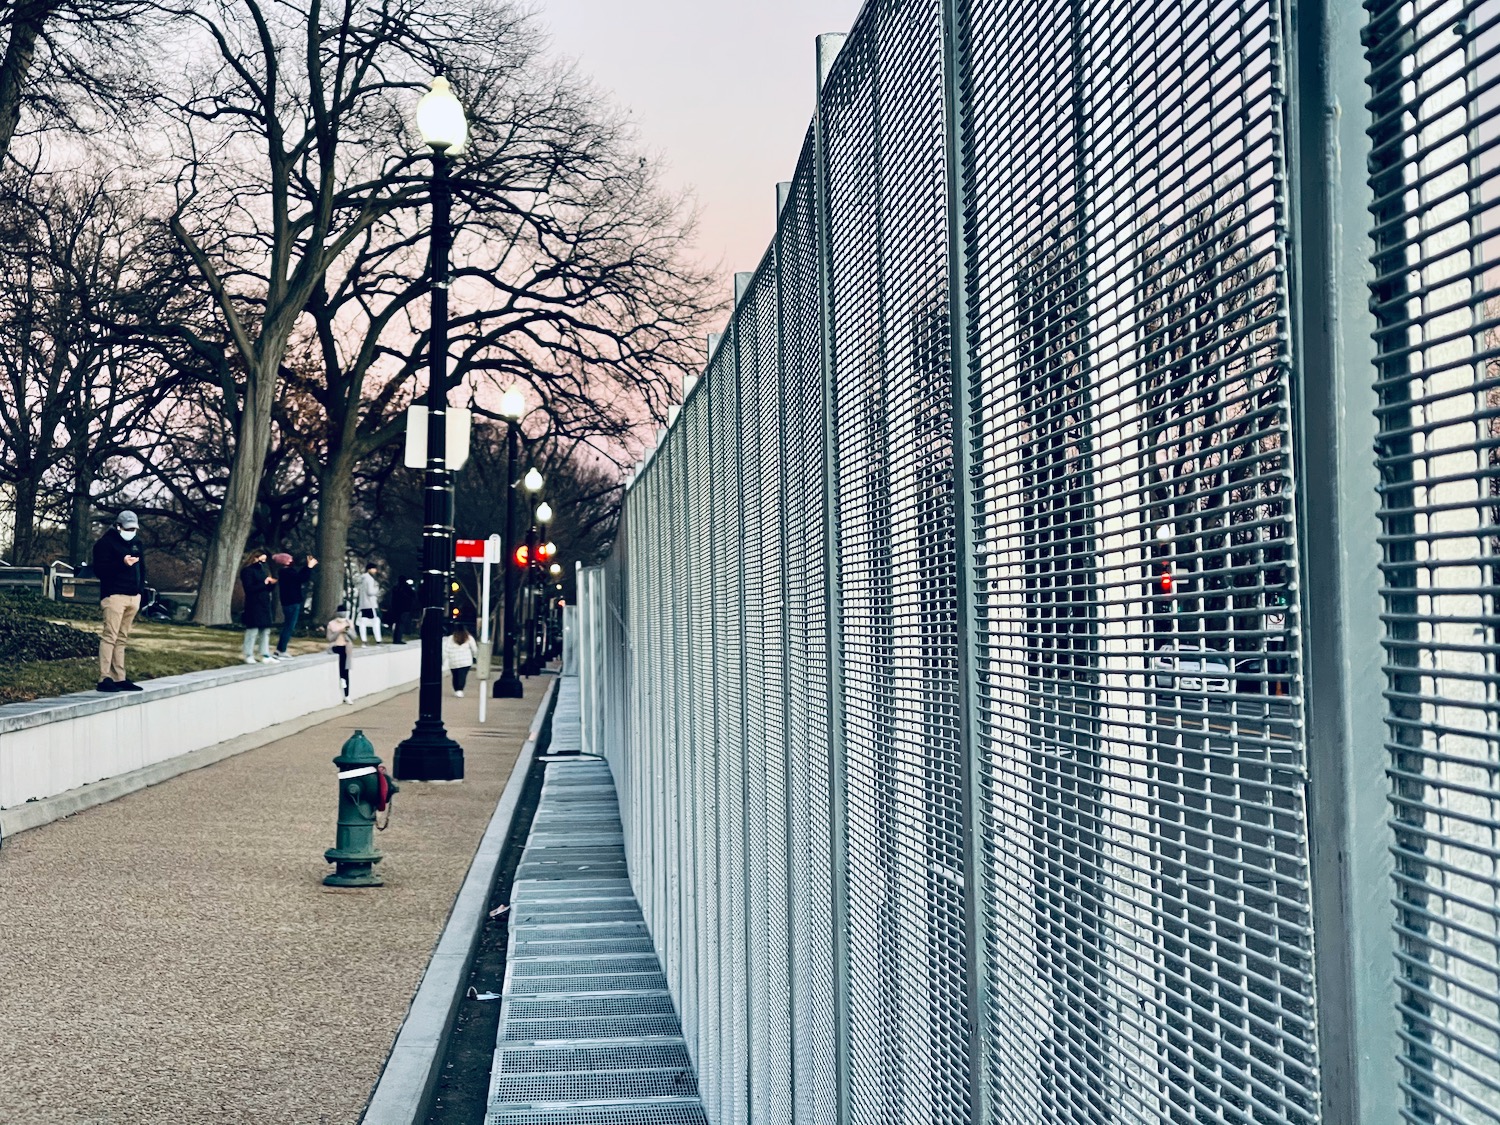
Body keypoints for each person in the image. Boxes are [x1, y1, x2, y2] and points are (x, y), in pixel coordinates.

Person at [92, 510, 147, 692]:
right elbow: (101, 571)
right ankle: (104, 677)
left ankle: (119, 677)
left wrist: (140, 591)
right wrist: (122, 564)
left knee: (122, 638)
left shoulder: (136, 543)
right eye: (128, 528)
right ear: (118, 526)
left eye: (134, 528)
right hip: (114, 595)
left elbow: (142, 568)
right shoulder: (105, 544)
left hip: (133, 596)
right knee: (110, 636)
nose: (131, 531)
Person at [274, 552, 318, 658]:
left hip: (289, 602)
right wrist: (309, 567)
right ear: (285, 561)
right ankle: (281, 649)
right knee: (289, 626)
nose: (292, 560)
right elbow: (301, 579)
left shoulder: (286, 572)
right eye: (290, 559)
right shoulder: (287, 573)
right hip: (292, 602)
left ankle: (280, 649)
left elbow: (299, 576)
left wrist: (307, 566)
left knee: (288, 626)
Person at [239, 548, 277, 663]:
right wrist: (263, 583)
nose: (263, 563)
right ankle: (248, 654)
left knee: (265, 630)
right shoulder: (247, 571)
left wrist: (271, 584)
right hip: (253, 603)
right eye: (261, 560)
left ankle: (264, 653)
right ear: (255, 558)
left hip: (264, 602)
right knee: (253, 629)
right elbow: (249, 588)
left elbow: (267, 588)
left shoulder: (263, 570)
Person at [327, 604, 355, 703]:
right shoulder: (331, 624)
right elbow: (330, 638)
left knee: (345, 671)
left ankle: (347, 694)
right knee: (339, 671)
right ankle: (342, 690)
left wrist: (347, 632)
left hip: (346, 648)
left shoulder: (349, 622)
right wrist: (339, 631)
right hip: (336, 647)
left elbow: (354, 637)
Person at [442, 623, 478, 697]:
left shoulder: (451, 638)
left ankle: (456, 689)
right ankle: (460, 689)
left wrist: (443, 660)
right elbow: (474, 649)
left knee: (455, 676)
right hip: (466, 661)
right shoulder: (469, 638)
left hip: (454, 661)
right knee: (462, 676)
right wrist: (475, 657)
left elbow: (446, 650)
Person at [356, 562, 383, 644]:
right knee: (376, 621)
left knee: (363, 622)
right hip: (371, 604)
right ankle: (378, 640)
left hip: (363, 604)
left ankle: (364, 640)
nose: (375, 571)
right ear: (369, 569)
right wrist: (377, 590)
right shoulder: (370, 579)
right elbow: (370, 592)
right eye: (374, 569)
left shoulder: (362, 579)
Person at [390, 576, 417, 644]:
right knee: (401, 624)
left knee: (397, 623)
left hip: (396, 608)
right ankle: (398, 639)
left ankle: (395, 639)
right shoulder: (407, 588)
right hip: (405, 608)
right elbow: (413, 595)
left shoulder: (395, 588)